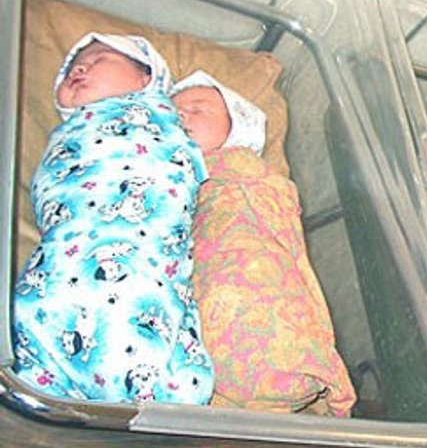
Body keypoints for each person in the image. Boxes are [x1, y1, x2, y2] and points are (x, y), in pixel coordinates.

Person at [13, 33, 214, 404]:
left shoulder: (163, 115)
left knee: (138, 309)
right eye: (72, 69)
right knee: (38, 308)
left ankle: (152, 389)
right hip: (65, 254)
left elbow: (225, 130)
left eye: (99, 59)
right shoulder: (71, 130)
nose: (79, 68)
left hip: (139, 252)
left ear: (145, 77)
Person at [171, 71, 356, 415]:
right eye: (172, 111)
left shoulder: (245, 171)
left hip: (244, 271)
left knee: (247, 290)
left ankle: (271, 370)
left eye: (197, 108)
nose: (180, 115)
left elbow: (278, 228)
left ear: (237, 130)